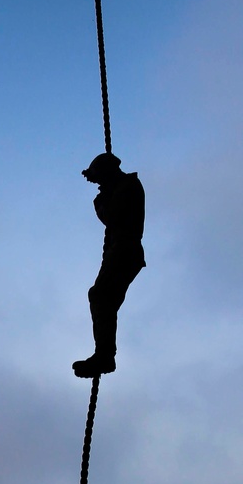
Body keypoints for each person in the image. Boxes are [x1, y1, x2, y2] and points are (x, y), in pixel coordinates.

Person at [73, 153, 145, 378]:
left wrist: (102, 198)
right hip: (121, 253)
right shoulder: (119, 188)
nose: (99, 186)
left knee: (100, 297)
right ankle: (104, 354)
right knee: (103, 300)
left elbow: (112, 216)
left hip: (124, 253)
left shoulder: (127, 186)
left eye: (100, 180)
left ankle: (104, 356)